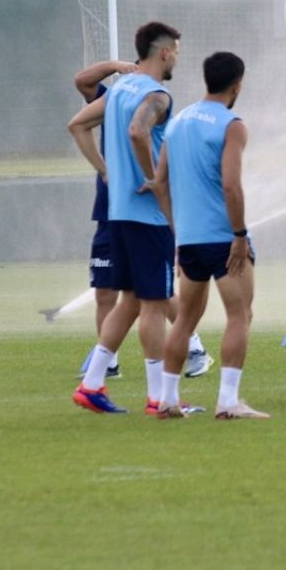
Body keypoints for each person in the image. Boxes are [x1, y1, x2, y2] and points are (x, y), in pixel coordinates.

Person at [68, 60, 213, 383]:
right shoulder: (117, 96)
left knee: (149, 296)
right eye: (174, 52)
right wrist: (116, 65)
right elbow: (83, 82)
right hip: (118, 210)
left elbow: (130, 131)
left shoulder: (137, 100)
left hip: (138, 208)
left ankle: (191, 348)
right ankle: (110, 372)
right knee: (114, 293)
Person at [71, 21, 184, 414]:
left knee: (130, 302)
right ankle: (159, 398)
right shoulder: (157, 94)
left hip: (116, 213)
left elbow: (77, 124)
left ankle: (91, 385)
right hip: (147, 217)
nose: (176, 62)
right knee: (154, 305)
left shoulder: (119, 89)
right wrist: (154, 178)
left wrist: (105, 170)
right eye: (176, 53)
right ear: (164, 52)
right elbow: (139, 131)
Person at [152, 52, 266, 419]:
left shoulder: (178, 121)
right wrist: (239, 235)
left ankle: (168, 400)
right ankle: (228, 402)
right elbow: (231, 186)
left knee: (185, 318)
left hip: (189, 240)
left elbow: (161, 182)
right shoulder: (232, 124)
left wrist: (177, 232)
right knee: (240, 315)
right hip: (222, 237)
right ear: (238, 84)